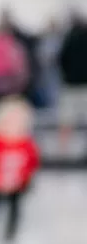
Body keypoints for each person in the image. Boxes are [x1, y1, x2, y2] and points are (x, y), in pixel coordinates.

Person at [0, 96, 41, 244]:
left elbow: (32, 162)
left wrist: (26, 178)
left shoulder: (26, 144)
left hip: (17, 183)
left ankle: (10, 232)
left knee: (15, 208)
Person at [54, 12, 87, 151]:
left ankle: (63, 149)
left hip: (70, 85)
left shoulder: (68, 38)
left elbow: (60, 60)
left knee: (66, 120)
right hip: (83, 84)